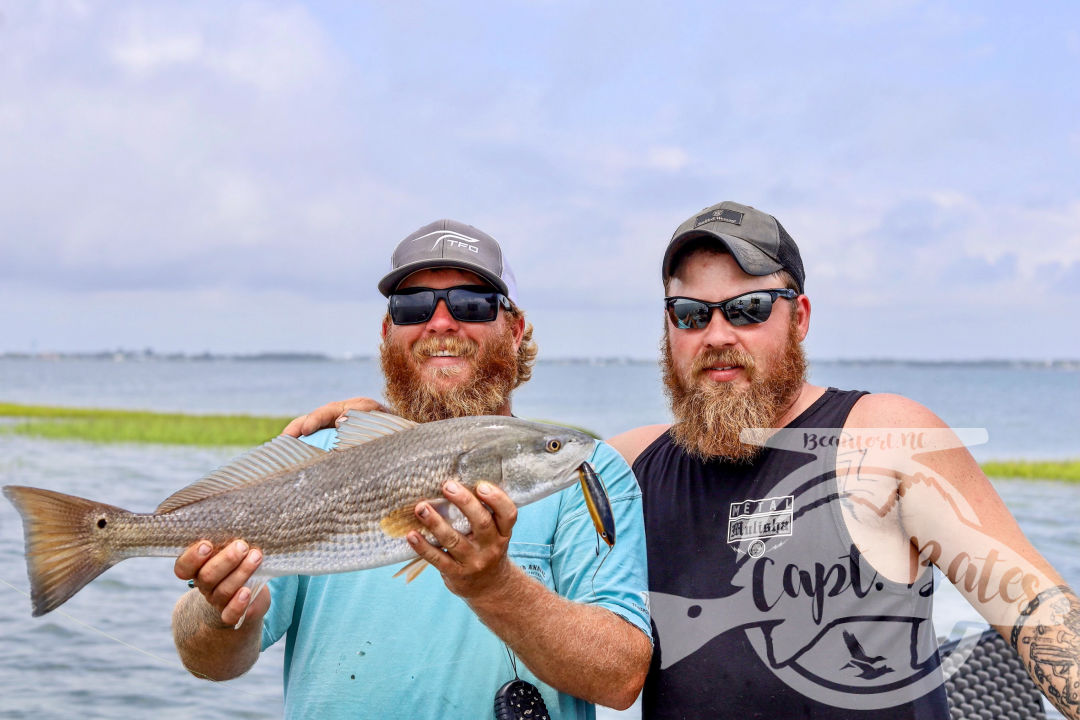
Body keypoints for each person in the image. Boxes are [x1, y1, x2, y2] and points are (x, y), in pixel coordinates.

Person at [604, 201, 1080, 718]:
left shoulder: (884, 437)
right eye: (691, 314)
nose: (717, 335)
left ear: (800, 317)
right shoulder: (630, 466)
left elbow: (1035, 610)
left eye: (749, 308)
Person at [170, 219, 652, 718]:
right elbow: (208, 661)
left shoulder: (583, 471)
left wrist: (495, 587)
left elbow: (620, 678)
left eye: (471, 303)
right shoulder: (326, 456)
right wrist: (219, 609)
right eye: (414, 307)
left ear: (515, 329)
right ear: (387, 332)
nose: (441, 324)